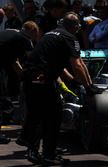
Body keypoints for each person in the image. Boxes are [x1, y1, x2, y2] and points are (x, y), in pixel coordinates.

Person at [17, 12, 102, 165]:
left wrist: (74, 82)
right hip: (41, 79)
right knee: (54, 116)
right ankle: (48, 154)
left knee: (40, 115)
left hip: (29, 77)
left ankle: (31, 148)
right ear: (75, 27)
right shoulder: (70, 37)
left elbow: (61, 65)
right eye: (78, 26)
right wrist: (89, 87)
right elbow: (78, 65)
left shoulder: (50, 35)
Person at [0, 21, 39, 144]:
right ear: (32, 31)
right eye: (36, 35)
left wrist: (23, 76)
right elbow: (34, 59)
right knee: (3, 101)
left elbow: (14, 62)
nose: (36, 38)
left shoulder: (11, 33)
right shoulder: (25, 39)